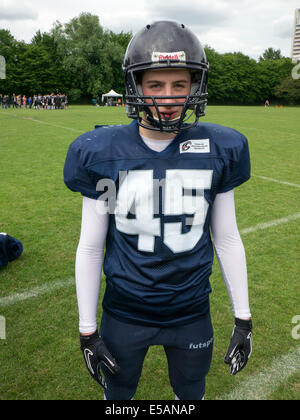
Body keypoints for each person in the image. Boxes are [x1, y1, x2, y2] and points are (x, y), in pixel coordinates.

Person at [64, 20, 252, 400]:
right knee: (118, 395)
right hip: (125, 312)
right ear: (136, 86)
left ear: (194, 86)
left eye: (179, 84)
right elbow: (90, 246)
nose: (168, 96)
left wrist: (243, 319)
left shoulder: (220, 148)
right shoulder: (102, 152)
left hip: (191, 311)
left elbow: (227, 237)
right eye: (156, 84)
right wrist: (88, 329)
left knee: (190, 393)